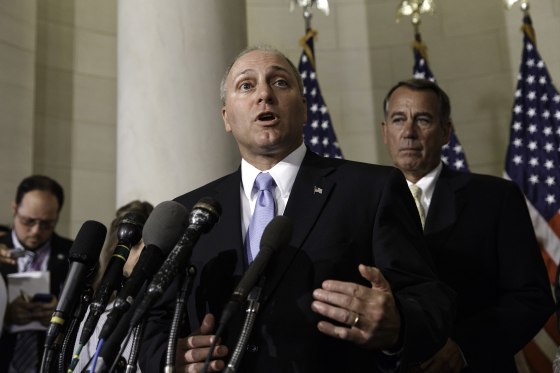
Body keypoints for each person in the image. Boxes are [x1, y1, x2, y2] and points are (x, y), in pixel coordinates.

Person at [139, 46, 456, 373]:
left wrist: (398, 324)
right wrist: (166, 358)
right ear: (226, 118)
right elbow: (152, 320)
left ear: (304, 109)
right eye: (246, 86)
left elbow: (431, 301)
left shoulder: (370, 189)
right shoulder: (190, 212)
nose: (264, 94)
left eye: (279, 82)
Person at [380, 78, 554, 372]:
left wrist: (465, 347)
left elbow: (531, 297)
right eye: (398, 119)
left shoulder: (495, 199)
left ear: (446, 131)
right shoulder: (365, 201)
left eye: (423, 119)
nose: (409, 132)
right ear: (385, 132)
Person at [0, 175, 73, 372]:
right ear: (14, 209)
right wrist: (3, 315)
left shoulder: (74, 255)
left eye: (47, 224)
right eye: (28, 221)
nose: (35, 231)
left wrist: (61, 314)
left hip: (51, 362)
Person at [72, 200, 153, 373]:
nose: (143, 251)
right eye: (136, 244)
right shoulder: (96, 312)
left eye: (150, 244)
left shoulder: (166, 310)